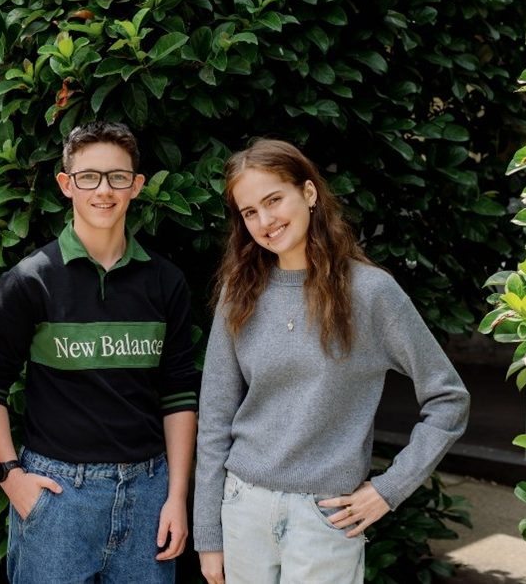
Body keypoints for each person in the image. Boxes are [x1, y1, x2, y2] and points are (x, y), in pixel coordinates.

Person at [193, 139, 470, 584]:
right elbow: (215, 418)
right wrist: (208, 536)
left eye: (273, 200)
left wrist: (388, 489)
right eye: (250, 212)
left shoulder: (371, 292)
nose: (265, 221)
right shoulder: (239, 292)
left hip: (324, 518)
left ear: (308, 192)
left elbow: (448, 399)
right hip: (243, 509)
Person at [0, 121, 199, 583]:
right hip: (57, 495)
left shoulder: (166, 281)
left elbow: (178, 394)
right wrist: (10, 476)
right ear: (66, 184)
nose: (104, 190)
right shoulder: (30, 280)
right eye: (89, 177)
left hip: (148, 495)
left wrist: (177, 495)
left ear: (137, 185)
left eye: (118, 177)